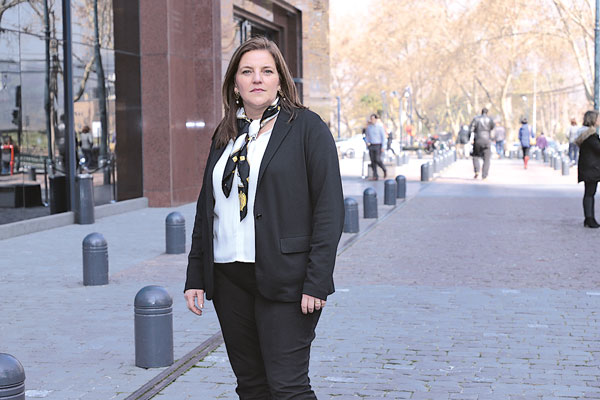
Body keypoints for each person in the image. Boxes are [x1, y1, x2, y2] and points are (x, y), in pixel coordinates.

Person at [184, 37, 344, 398]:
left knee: (288, 386)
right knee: (252, 386)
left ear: (279, 81)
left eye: (266, 71)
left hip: (286, 279)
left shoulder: (306, 128)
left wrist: (317, 280)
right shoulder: (225, 134)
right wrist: (196, 273)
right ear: (235, 84)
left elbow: (329, 209)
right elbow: (206, 209)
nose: (257, 78)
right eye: (247, 71)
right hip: (229, 280)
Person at [575, 110, 600, 228]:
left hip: (589, 167)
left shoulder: (587, 135)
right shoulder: (590, 136)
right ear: (593, 120)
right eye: (598, 118)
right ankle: (589, 219)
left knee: (589, 193)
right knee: (590, 193)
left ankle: (589, 218)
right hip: (591, 168)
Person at [469, 108, 495, 179]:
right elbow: (492, 127)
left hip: (478, 139)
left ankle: (477, 170)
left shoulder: (476, 119)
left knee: (475, 155)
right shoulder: (490, 119)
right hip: (487, 140)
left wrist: (470, 138)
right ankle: (484, 175)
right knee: (487, 158)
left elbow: (471, 129)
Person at [365, 113, 387, 180]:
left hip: (378, 145)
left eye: (373, 119)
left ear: (376, 119)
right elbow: (367, 136)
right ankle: (375, 175)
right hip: (371, 145)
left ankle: (384, 169)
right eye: (371, 119)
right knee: (372, 161)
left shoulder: (380, 127)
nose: (372, 120)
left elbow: (383, 137)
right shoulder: (369, 127)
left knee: (377, 159)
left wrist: (383, 147)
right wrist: (367, 143)